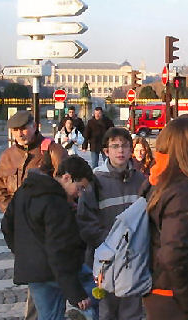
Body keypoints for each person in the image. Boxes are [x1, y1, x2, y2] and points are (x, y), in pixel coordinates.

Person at [0, 110, 68, 320]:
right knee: (35, 277)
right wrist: (12, 213)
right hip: (22, 230)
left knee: (45, 276)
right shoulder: (8, 156)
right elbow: (0, 188)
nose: (20, 133)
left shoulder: (52, 150)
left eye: (24, 128)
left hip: (48, 228)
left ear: (34, 125)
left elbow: (68, 185)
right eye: (16, 130)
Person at [1, 155, 93, 320]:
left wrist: (25, 253)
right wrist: (76, 294)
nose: (79, 194)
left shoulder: (25, 190)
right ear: (66, 178)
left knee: (48, 316)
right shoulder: (55, 203)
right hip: (54, 273)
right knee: (93, 302)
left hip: (35, 272)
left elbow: (7, 226)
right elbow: (60, 252)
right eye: (79, 188)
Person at [144, 116, 188, 320]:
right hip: (173, 296)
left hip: (158, 291)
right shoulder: (183, 189)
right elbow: (173, 254)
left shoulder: (158, 182)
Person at [77, 127, 145, 320]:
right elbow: (85, 222)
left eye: (124, 146)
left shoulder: (141, 181)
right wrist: (111, 244)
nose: (120, 151)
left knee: (132, 313)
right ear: (106, 151)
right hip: (105, 263)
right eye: (115, 146)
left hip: (134, 261)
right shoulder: (95, 182)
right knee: (106, 313)